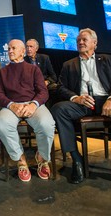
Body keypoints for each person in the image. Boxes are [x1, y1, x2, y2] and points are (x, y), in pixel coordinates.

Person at [50, 28, 111, 184]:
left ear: (94, 43)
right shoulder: (69, 64)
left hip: (105, 100)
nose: (80, 42)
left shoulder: (106, 60)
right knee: (59, 109)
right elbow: (60, 87)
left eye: (84, 39)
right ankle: (76, 159)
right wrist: (76, 98)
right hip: (83, 103)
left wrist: (110, 99)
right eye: (78, 41)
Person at [0, 39, 55, 182]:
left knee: (47, 124)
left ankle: (42, 157)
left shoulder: (34, 69)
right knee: (1, 124)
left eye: (13, 48)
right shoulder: (2, 72)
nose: (10, 51)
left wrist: (33, 104)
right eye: (8, 48)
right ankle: (20, 159)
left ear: (23, 52)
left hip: (33, 104)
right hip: (11, 106)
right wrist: (11, 105)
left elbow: (43, 92)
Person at [24, 39, 58, 108]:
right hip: (31, 86)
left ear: (36, 48)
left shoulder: (45, 58)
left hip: (44, 84)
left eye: (31, 46)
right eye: (27, 47)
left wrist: (47, 82)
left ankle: (51, 109)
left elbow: (53, 76)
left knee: (56, 88)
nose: (28, 49)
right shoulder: (23, 61)